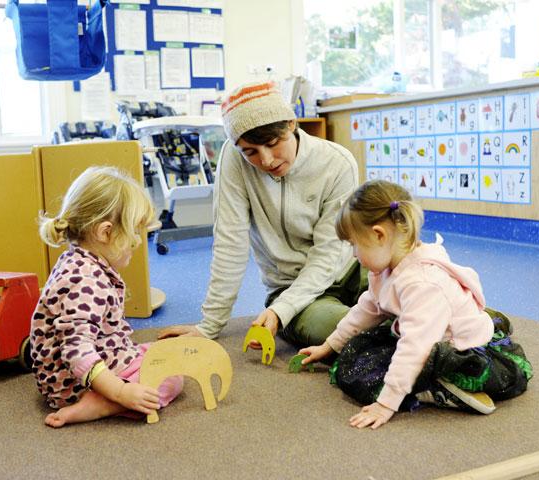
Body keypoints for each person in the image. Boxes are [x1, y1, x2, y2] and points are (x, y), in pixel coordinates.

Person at [300, 180, 532, 430]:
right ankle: (428, 382)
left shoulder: (422, 283)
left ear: (379, 234)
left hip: (459, 352)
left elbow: (415, 347)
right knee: (360, 348)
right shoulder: (385, 268)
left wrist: (386, 403)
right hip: (425, 338)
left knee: (366, 377)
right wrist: (330, 345)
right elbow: (367, 308)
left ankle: (442, 388)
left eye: (354, 244)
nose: (354, 254)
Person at [159, 80, 367, 348]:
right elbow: (230, 243)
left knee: (415, 291)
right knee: (347, 330)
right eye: (251, 152)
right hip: (290, 290)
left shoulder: (337, 162)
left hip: (351, 268)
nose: (266, 160)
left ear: (291, 123)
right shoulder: (234, 160)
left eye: (272, 143)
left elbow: (329, 252)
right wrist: (210, 325)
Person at [31, 166, 183, 428]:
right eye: (134, 232)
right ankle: (102, 404)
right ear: (105, 232)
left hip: (92, 361)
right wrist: (120, 392)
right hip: (75, 382)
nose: (138, 242)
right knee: (172, 377)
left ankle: (111, 392)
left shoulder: (79, 260)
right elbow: (76, 350)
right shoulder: (85, 279)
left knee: (167, 355)